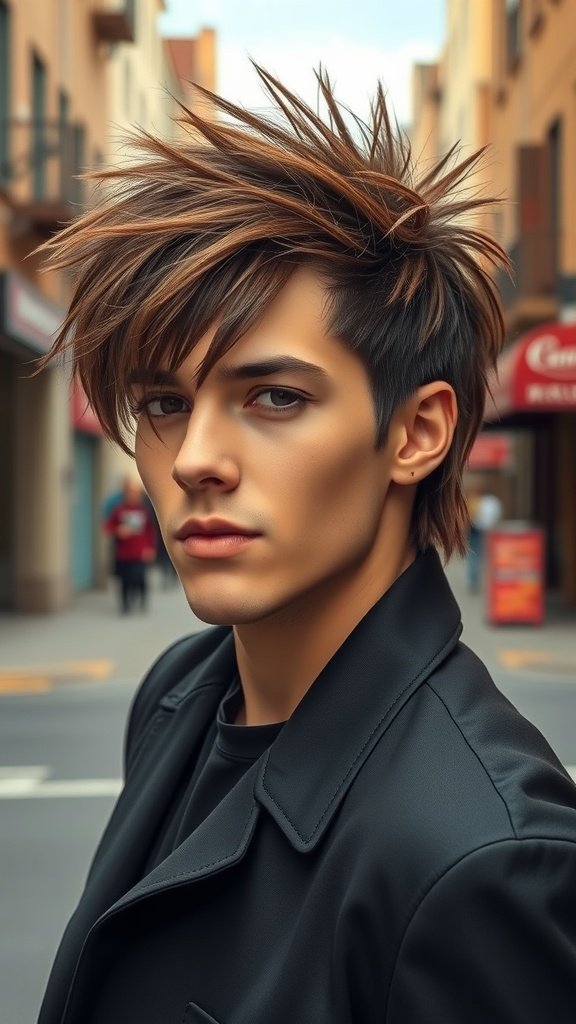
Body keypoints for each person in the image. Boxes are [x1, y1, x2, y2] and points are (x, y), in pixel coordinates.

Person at [37, 68, 576, 1023]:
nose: (196, 458)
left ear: (417, 433)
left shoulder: (483, 856)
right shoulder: (179, 693)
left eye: (274, 397)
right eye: (165, 403)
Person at [104, 477, 157, 613]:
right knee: (124, 580)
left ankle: (142, 600)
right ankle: (125, 605)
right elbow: (107, 527)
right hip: (123, 553)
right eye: (130, 492)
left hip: (140, 552)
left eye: (136, 493)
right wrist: (118, 531)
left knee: (139, 577)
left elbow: (150, 531)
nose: (133, 495)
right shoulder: (119, 510)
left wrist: (150, 548)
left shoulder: (144, 510)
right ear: (125, 494)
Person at [466, 484, 503, 592]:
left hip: (475, 530)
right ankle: (485, 580)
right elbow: (497, 516)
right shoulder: (493, 501)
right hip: (487, 531)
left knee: (474, 556)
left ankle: (473, 581)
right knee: (485, 556)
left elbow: (469, 516)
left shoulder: (474, 500)